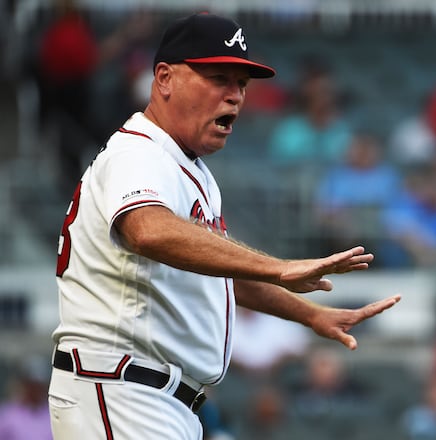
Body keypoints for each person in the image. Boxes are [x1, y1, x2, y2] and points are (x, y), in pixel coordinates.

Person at [48, 13, 400, 440]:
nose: (234, 96)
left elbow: (219, 274)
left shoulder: (184, 167)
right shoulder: (138, 154)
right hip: (121, 388)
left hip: (151, 395)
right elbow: (148, 229)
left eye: (242, 85)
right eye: (219, 78)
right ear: (164, 78)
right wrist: (279, 268)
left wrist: (309, 314)